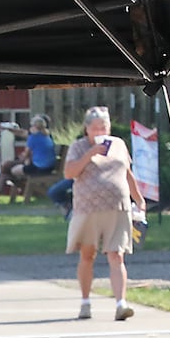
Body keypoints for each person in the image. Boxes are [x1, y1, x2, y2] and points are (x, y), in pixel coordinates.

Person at [61, 105, 145, 321]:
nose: (101, 132)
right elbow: (70, 173)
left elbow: (127, 173)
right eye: (96, 128)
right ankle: (85, 302)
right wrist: (90, 154)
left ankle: (121, 304)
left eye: (104, 127)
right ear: (86, 129)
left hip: (117, 207)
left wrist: (139, 199)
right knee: (87, 255)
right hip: (87, 208)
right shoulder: (78, 147)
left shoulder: (118, 144)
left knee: (117, 255)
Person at [3, 114, 56, 191]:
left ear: (35, 127)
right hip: (49, 167)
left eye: (31, 126)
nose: (30, 128)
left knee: (12, 171)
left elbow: (26, 155)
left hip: (39, 167)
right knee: (9, 170)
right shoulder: (46, 136)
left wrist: (23, 158)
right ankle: (30, 190)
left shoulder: (33, 138)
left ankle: (29, 190)